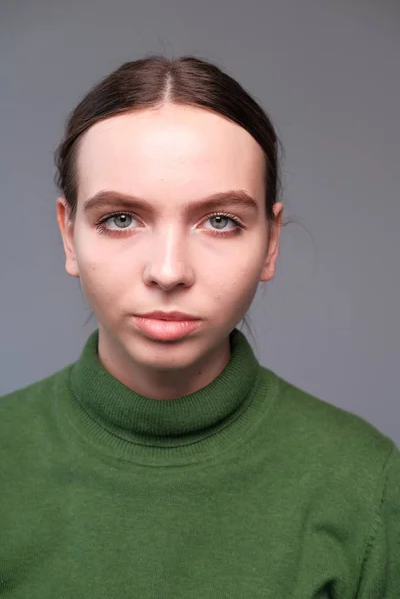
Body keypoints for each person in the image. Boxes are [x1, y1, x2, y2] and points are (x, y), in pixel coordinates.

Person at [1, 55, 399, 598]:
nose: (168, 271)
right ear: (69, 235)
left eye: (220, 221)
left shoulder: (367, 483)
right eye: (120, 218)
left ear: (270, 242)